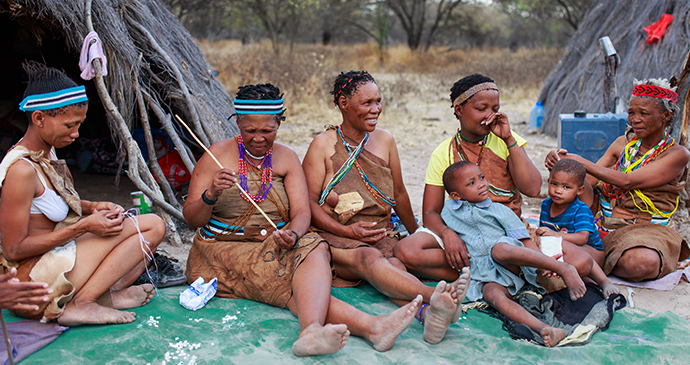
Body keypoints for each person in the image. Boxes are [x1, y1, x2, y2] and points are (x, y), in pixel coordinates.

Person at [183, 83, 423, 356]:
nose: (258, 138)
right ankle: (365, 327)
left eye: (267, 131)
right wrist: (211, 193)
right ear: (238, 122)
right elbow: (192, 218)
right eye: (250, 130)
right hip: (221, 249)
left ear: (279, 124)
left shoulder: (285, 157)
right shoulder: (217, 154)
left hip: (274, 244)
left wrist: (294, 235)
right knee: (293, 284)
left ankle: (328, 331)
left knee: (316, 246)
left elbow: (301, 214)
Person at [302, 71, 469, 345]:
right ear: (343, 103)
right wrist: (348, 231)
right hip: (334, 235)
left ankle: (428, 315)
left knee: (393, 263)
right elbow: (308, 204)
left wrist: (420, 233)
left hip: (380, 233)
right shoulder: (322, 145)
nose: (376, 109)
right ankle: (434, 296)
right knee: (368, 259)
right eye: (367, 103)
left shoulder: (386, 140)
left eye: (378, 101)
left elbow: (399, 193)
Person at [0, 62, 165, 326]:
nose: (76, 134)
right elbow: (14, 248)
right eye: (69, 126)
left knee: (154, 225)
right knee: (146, 227)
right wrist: (84, 227)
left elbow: (49, 203)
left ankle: (103, 295)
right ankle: (83, 303)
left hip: (55, 265)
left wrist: (92, 207)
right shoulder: (21, 169)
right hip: (32, 284)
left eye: (79, 125)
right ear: (39, 118)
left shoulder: (46, 152)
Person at [394, 74, 542, 282]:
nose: (490, 116)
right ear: (459, 110)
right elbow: (430, 212)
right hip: (464, 232)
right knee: (405, 251)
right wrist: (447, 234)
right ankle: (491, 273)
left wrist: (508, 138)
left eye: (495, 109)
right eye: (482, 109)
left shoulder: (506, 140)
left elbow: (533, 189)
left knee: (575, 261)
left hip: (503, 233)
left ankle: (475, 274)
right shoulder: (443, 152)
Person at [545, 78, 690, 282]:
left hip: (649, 231)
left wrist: (580, 161)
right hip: (604, 223)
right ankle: (593, 258)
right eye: (631, 112)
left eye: (644, 113)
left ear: (666, 116)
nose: (635, 119)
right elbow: (586, 183)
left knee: (640, 263)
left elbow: (628, 181)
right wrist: (561, 162)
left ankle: (592, 261)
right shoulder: (623, 144)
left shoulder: (677, 154)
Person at [440, 161, 586, 347]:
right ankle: (544, 328)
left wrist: (544, 264)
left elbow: (524, 242)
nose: (482, 184)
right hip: (485, 273)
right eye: (472, 183)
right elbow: (435, 222)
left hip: (509, 262)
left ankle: (563, 267)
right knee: (492, 295)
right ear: (455, 195)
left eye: (482, 178)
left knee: (498, 249)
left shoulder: (499, 210)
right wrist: (446, 233)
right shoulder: (448, 212)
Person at [536, 159, 619, 298]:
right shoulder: (546, 204)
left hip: (591, 254)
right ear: (548, 181)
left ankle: (604, 281)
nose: (558, 190)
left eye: (566, 187)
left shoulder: (580, 209)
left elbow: (582, 238)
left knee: (576, 252)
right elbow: (545, 235)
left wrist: (556, 235)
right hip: (565, 251)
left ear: (580, 190)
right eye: (554, 184)